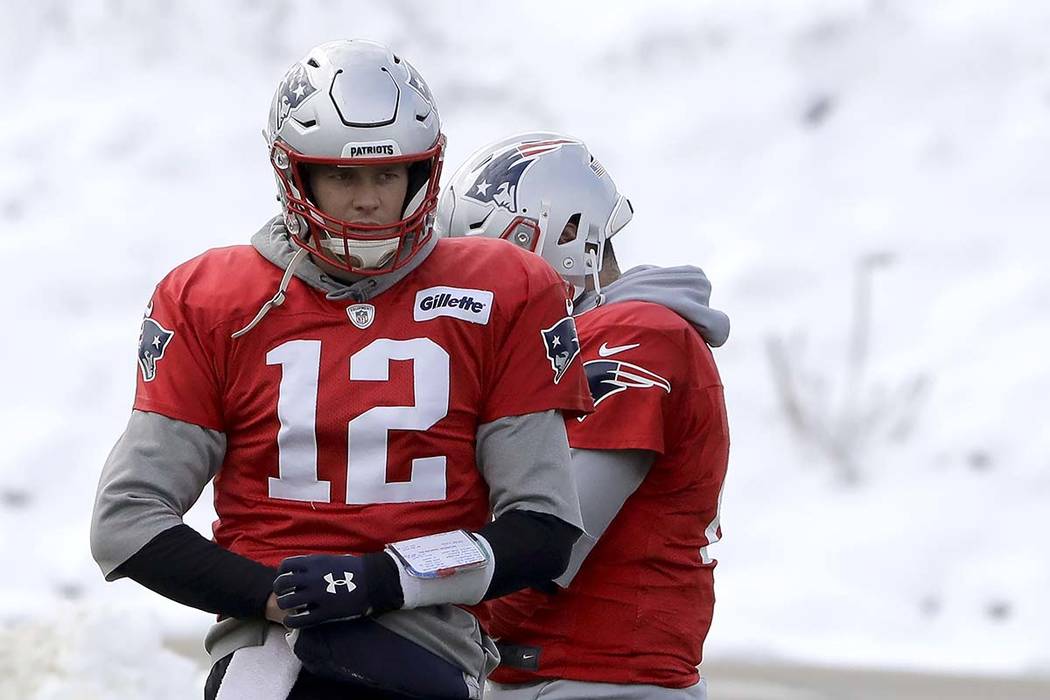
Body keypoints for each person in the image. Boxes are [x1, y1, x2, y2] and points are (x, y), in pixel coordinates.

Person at [90, 43, 592, 700]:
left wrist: (383, 576)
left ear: (423, 171)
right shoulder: (213, 298)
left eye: (388, 176)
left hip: (425, 634)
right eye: (342, 177)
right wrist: (272, 594)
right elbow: (124, 521)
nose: (367, 202)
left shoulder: (505, 290)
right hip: (264, 639)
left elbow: (545, 526)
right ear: (293, 173)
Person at [439, 133, 731, 700]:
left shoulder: (635, 334)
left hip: (601, 680)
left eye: (495, 255)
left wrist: (411, 612)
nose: (479, 282)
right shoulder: (581, 341)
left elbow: (553, 543)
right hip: (551, 675)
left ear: (568, 234)